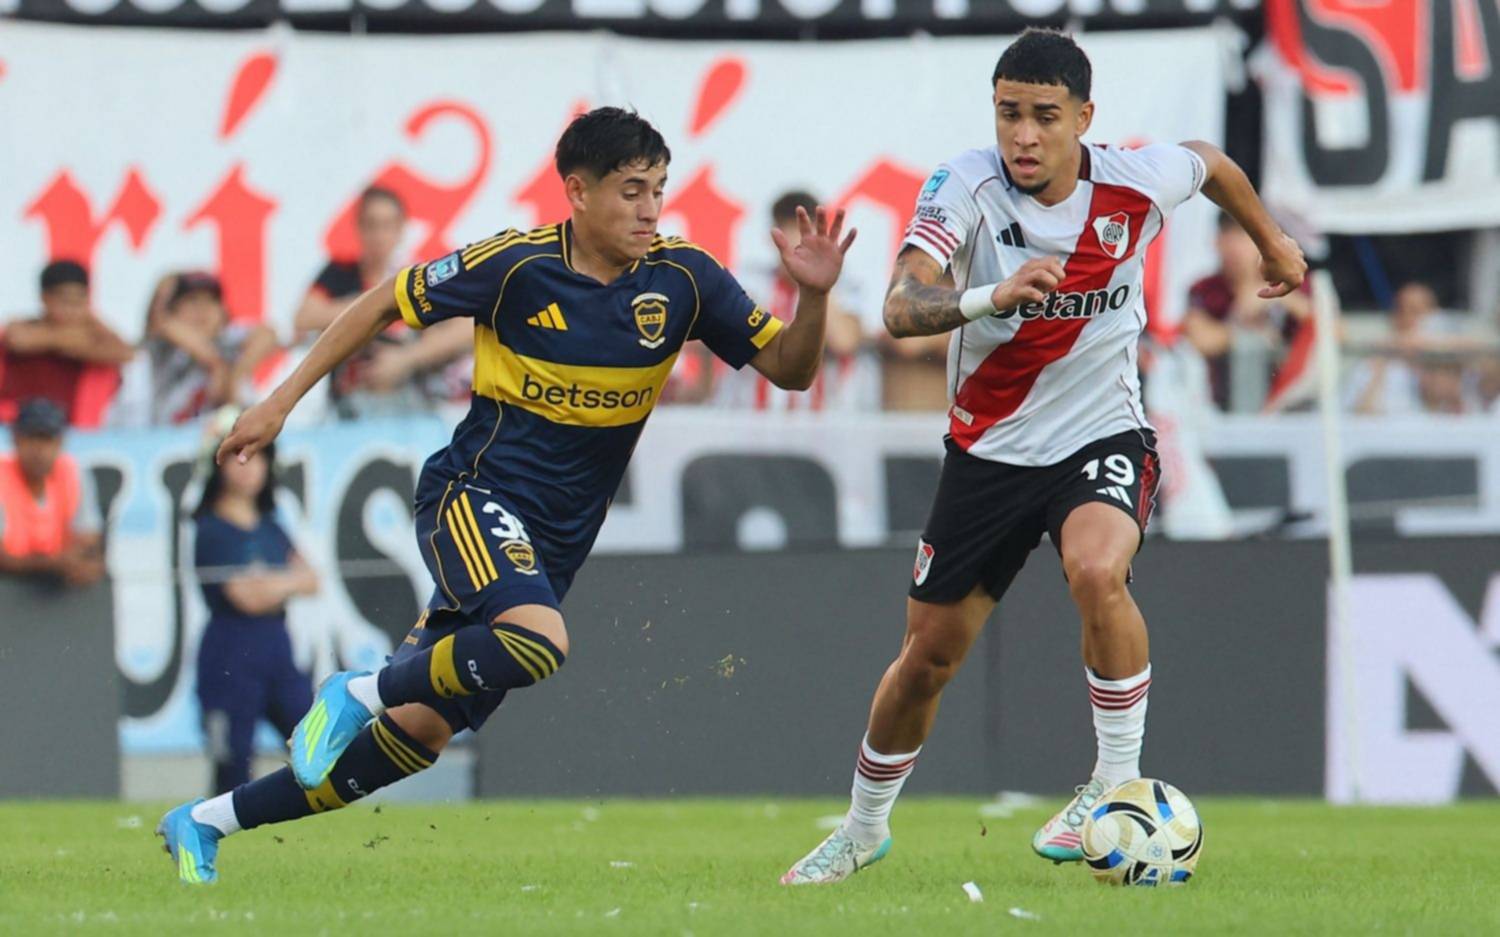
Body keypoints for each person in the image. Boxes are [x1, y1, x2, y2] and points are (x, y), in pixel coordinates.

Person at [155, 107, 857, 884]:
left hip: (554, 543)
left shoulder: (685, 279)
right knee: (539, 643)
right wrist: (278, 403)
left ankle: (206, 821)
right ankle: (356, 688)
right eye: (631, 191)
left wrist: (813, 299)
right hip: (472, 495)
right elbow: (384, 301)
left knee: (418, 735)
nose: (650, 209)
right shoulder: (519, 266)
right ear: (577, 191)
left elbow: (791, 368)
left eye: (659, 189)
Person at [781, 28, 1305, 884]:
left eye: (1044, 117)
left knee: (1098, 570)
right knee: (927, 658)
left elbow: (1211, 163)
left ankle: (1111, 785)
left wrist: (1273, 242)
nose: (1023, 135)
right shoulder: (965, 185)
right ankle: (863, 828)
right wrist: (992, 294)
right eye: (1009, 113)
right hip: (989, 452)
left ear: (1084, 118)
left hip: (1102, 433)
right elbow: (902, 306)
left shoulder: (1134, 180)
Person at [193, 437, 318, 796]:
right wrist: (285, 582)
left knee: (313, 738)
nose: (249, 469)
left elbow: (312, 579)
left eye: (258, 458)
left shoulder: (271, 526)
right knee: (233, 761)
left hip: (276, 647)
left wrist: (269, 583)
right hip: (229, 651)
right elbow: (244, 597)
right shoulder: (211, 529)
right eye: (239, 458)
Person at [293, 187, 470, 419]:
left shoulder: (416, 278)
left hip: (408, 404)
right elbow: (304, 318)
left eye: (387, 225)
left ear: (401, 229)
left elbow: (467, 327)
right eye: (372, 225)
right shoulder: (340, 273)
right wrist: (376, 301)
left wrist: (407, 358)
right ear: (359, 228)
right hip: (348, 407)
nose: (379, 235)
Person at [706, 190, 874, 411]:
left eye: (807, 231)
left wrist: (818, 285)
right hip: (747, 419)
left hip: (822, 423)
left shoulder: (843, 285)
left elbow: (844, 341)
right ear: (774, 236)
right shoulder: (747, 283)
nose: (799, 241)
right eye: (792, 230)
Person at [1180, 213, 1311, 412]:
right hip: (1225, 406)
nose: (1236, 250)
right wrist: (1240, 325)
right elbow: (1199, 339)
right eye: (1228, 239)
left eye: (1243, 239)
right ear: (1216, 242)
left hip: (1292, 407)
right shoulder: (1205, 289)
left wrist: (1284, 300)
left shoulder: (1291, 283)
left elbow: (1333, 332)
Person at [0, 261, 133, 427]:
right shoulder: (25, 327)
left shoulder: (93, 338)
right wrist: (72, 339)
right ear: (45, 298)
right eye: (65, 301)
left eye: (79, 301)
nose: (72, 310)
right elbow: (18, 340)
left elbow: (126, 353)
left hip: (68, 430)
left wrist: (90, 321)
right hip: (15, 427)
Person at [138, 272, 279, 426]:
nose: (202, 310)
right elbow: (160, 322)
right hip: (168, 436)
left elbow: (268, 334)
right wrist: (215, 364)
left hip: (221, 434)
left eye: (210, 301)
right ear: (174, 311)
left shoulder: (226, 339)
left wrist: (238, 374)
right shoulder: (164, 345)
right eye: (192, 301)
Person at [0, 398, 104, 586]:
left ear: (60, 442)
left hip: (56, 586)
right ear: (15, 439)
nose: (39, 450)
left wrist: (86, 563)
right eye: (31, 438)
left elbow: (88, 539)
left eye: (47, 439)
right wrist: (54, 563)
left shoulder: (72, 472)